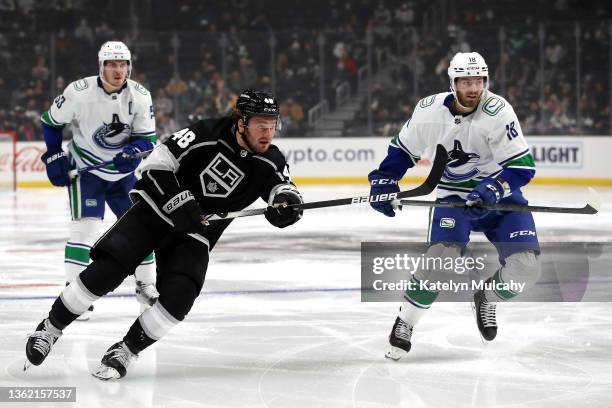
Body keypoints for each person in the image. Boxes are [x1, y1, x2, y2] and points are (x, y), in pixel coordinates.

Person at [25, 89, 303, 380]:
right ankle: (50, 328)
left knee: (180, 298)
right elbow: (156, 165)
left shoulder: (271, 160)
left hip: (195, 233)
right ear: (241, 123)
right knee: (106, 271)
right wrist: (179, 199)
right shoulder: (206, 132)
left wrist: (287, 205)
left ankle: (127, 349)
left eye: (272, 125)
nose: (267, 133)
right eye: (261, 124)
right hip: (155, 212)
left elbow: (282, 188)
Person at [368, 52, 541, 359]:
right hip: (452, 198)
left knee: (525, 268)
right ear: (453, 83)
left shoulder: (499, 111)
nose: (473, 88)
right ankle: (405, 321)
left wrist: (494, 188)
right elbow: (402, 150)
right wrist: (385, 179)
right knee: (441, 260)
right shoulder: (429, 110)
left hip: (498, 197)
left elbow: (522, 168)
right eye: (465, 81)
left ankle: (486, 298)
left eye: (478, 81)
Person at [39, 41, 158, 320]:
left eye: (122, 64)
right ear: (101, 66)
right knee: (85, 230)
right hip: (87, 171)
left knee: (142, 229)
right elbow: (51, 121)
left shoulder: (140, 96)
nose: (118, 70)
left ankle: (146, 286)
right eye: (111, 64)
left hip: (124, 176)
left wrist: (134, 151)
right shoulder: (78, 93)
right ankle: (74, 296)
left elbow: (148, 140)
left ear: (129, 66)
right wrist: (54, 154)